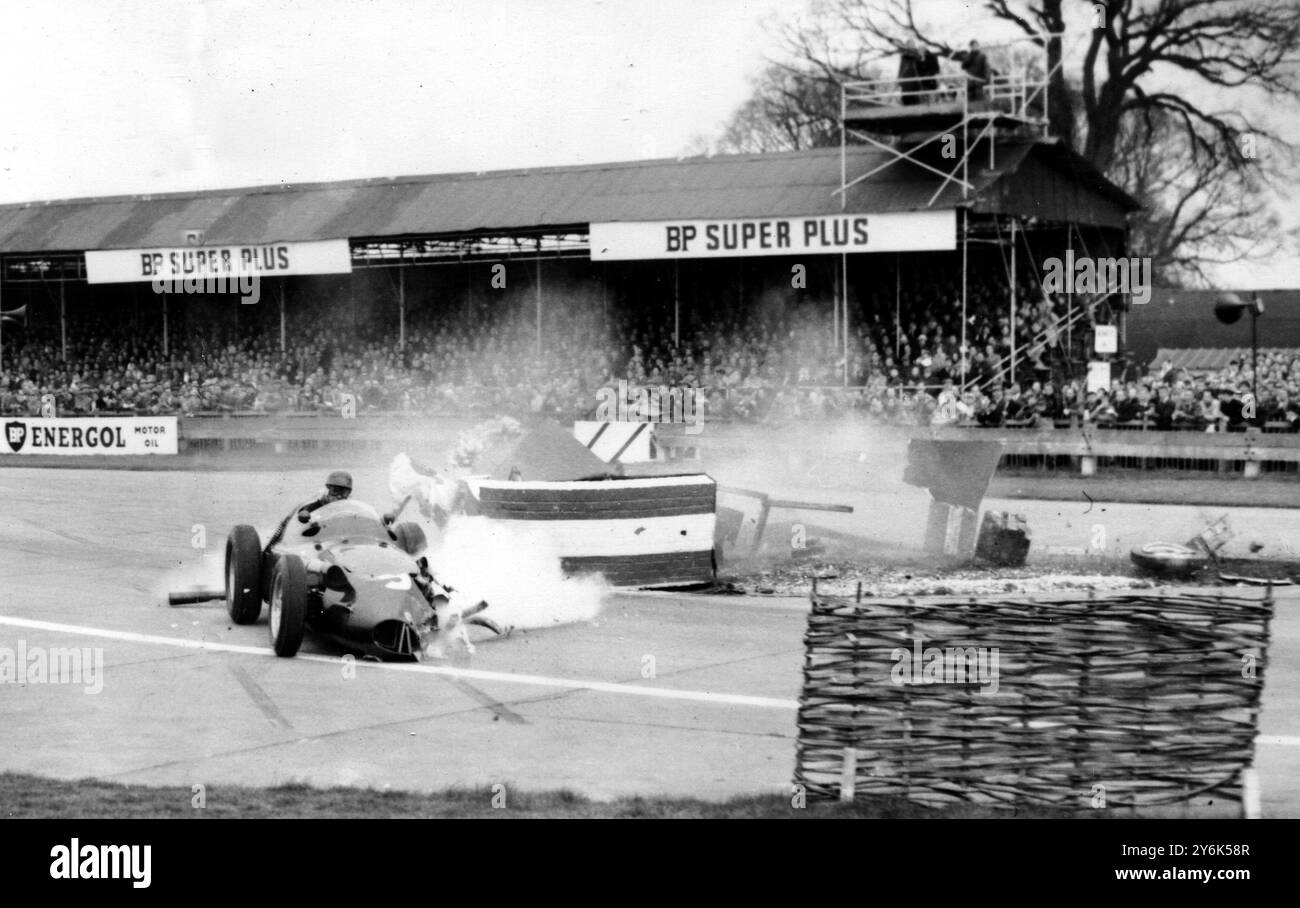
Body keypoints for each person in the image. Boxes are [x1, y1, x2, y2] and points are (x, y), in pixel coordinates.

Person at [264, 470, 354, 554]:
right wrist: (305, 515)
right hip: (310, 547)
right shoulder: (315, 506)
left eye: (344, 493)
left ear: (349, 494)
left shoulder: (348, 510)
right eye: (335, 491)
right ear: (328, 490)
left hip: (336, 546)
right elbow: (304, 511)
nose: (339, 496)